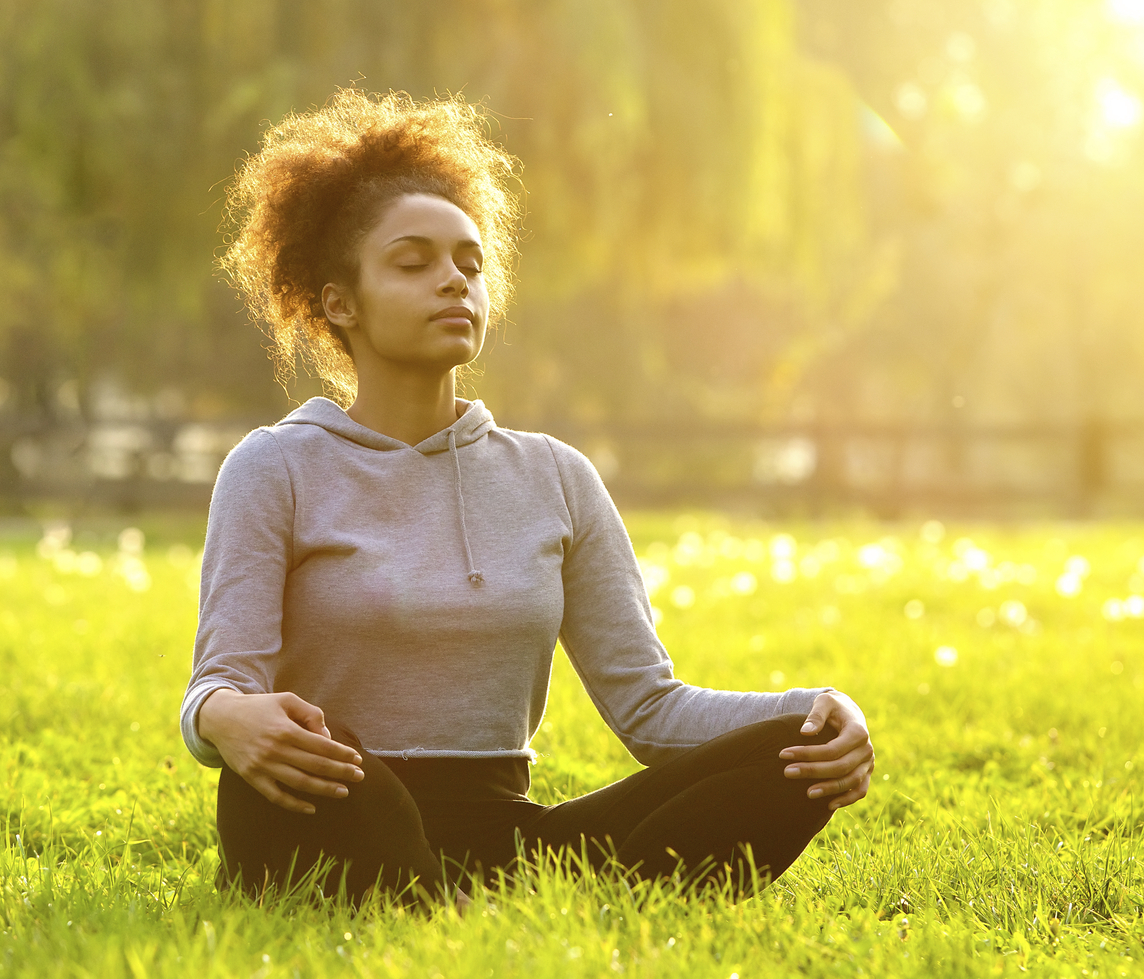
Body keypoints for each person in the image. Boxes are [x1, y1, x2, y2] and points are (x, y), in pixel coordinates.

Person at [179, 88, 876, 907]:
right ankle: (454, 900)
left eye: (469, 264)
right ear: (340, 301)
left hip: (509, 837)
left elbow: (649, 707)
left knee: (797, 754)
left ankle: (447, 900)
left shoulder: (555, 476)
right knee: (316, 784)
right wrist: (227, 719)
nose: (453, 282)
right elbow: (219, 683)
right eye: (414, 263)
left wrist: (821, 711)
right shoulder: (274, 467)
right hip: (339, 802)